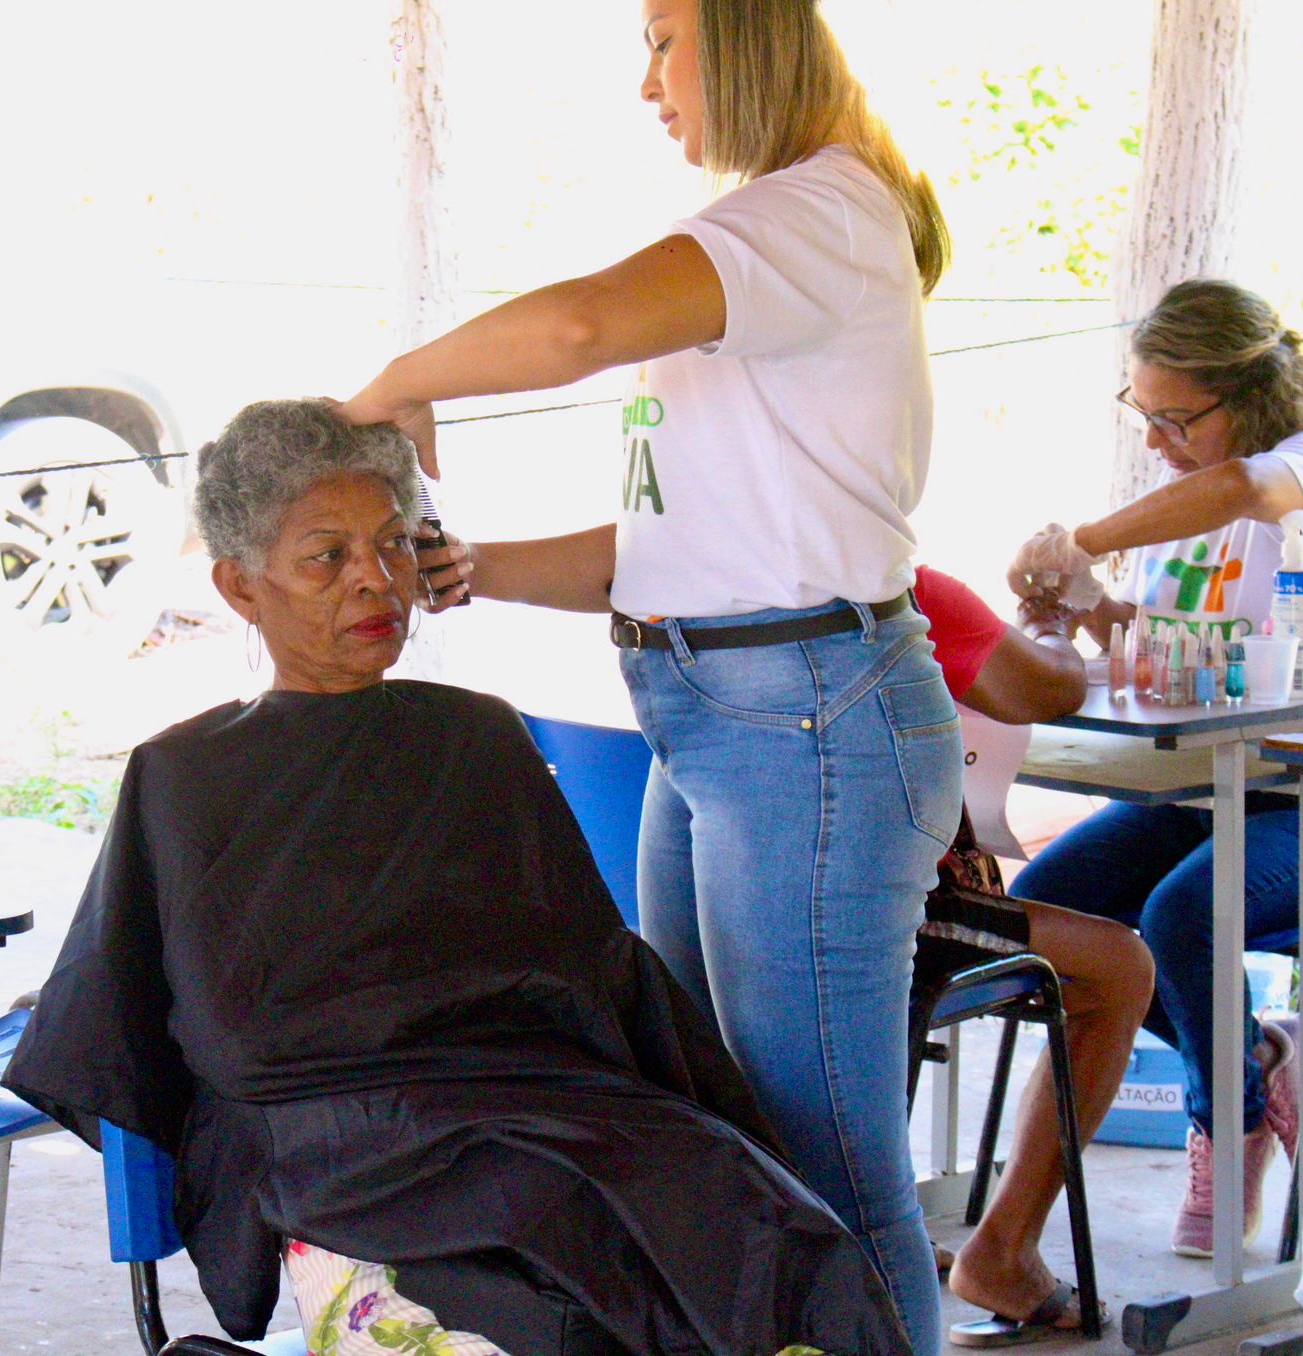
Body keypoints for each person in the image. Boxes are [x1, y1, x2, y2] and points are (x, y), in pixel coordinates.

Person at [2, 400, 911, 1356]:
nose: (375, 581)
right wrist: (423, 1067)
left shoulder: (476, 734)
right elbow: (222, 1032)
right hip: (352, 1158)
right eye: (328, 557)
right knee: (550, 1322)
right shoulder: (184, 774)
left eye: (394, 546)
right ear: (240, 588)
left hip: (550, 1119)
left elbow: (593, 974)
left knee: (792, 1258)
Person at [337, 3, 956, 1347]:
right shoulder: (783, 232)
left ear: (746, 36)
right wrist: (483, 567)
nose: (646, 83)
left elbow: (574, 330)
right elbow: (677, 550)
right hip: (720, 716)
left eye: (663, 38)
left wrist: (393, 382)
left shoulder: (817, 215)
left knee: (832, 1165)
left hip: (808, 725)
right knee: (724, 1137)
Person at [1004, 278, 1303, 1257]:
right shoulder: (1190, 511)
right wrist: (1082, 603)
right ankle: (1252, 1060)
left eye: (1175, 418)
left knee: (1182, 914)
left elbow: (1242, 488)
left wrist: (1081, 536)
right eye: (1143, 415)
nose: (1156, 440)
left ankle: (1230, 1117)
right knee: (1047, 915)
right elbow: (1159, 647)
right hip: (1206, 789)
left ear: (1247, 394)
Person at [908, 567, 1152, 1344]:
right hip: (893, 912)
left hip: (737, 901)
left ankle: (896, 1220)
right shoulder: (897, 585)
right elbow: (1048, 687)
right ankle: (1005, 1250)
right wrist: (1049, 628)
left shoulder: (720, 578)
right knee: (1119, 967)